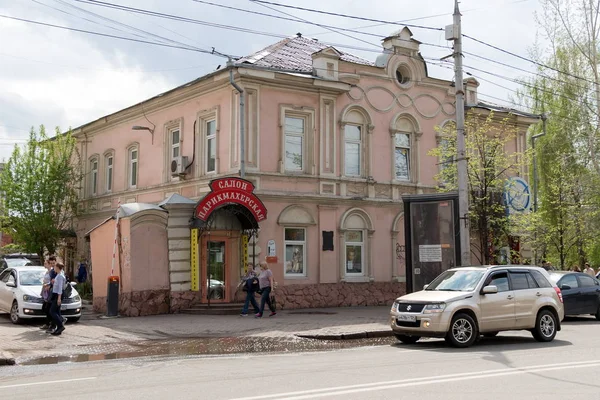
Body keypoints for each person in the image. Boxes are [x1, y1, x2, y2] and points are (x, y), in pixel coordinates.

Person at [48, 262, 66, 336]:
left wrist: (59, 298)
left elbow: (60, 288)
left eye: (55, 267)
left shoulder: (60, 276)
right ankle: (59, 328)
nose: (54, 268)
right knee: (57, 311)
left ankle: (60, 326)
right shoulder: (58, 275)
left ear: (58, 267)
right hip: (55, 294)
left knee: (52, 311)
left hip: (58, 295)